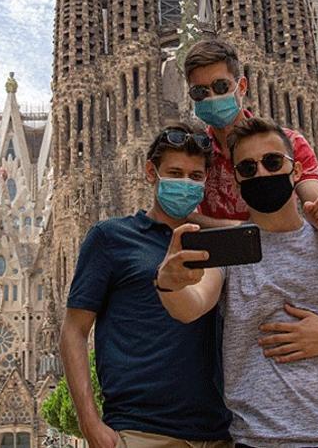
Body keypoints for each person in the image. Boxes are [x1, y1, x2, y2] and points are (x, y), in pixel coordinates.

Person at [155, 117, 318, 448]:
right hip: (260, 442)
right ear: (236, 179)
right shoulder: (228, 247)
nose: (261, 173)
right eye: (247, 168)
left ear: (297, 170)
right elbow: (191, 305)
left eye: (272, 162)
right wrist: (168, 284)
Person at [61, 124, 232, 448]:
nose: (185, 184)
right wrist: (89, 421)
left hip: (216, 433)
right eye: (175, 173)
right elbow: (74, 330)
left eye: (195, 177)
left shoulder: (212, 246)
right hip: (140, 431)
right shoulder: (110, 238)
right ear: (151, 173)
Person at [182, 39, 318, 232]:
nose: (212, 97)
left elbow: (315, 199)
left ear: (241, 87)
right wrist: (247, 230)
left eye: (221, 86)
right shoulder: (193, 154)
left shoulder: (287, 143)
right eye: (200, 92)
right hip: (223, 259)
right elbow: (182, 214)